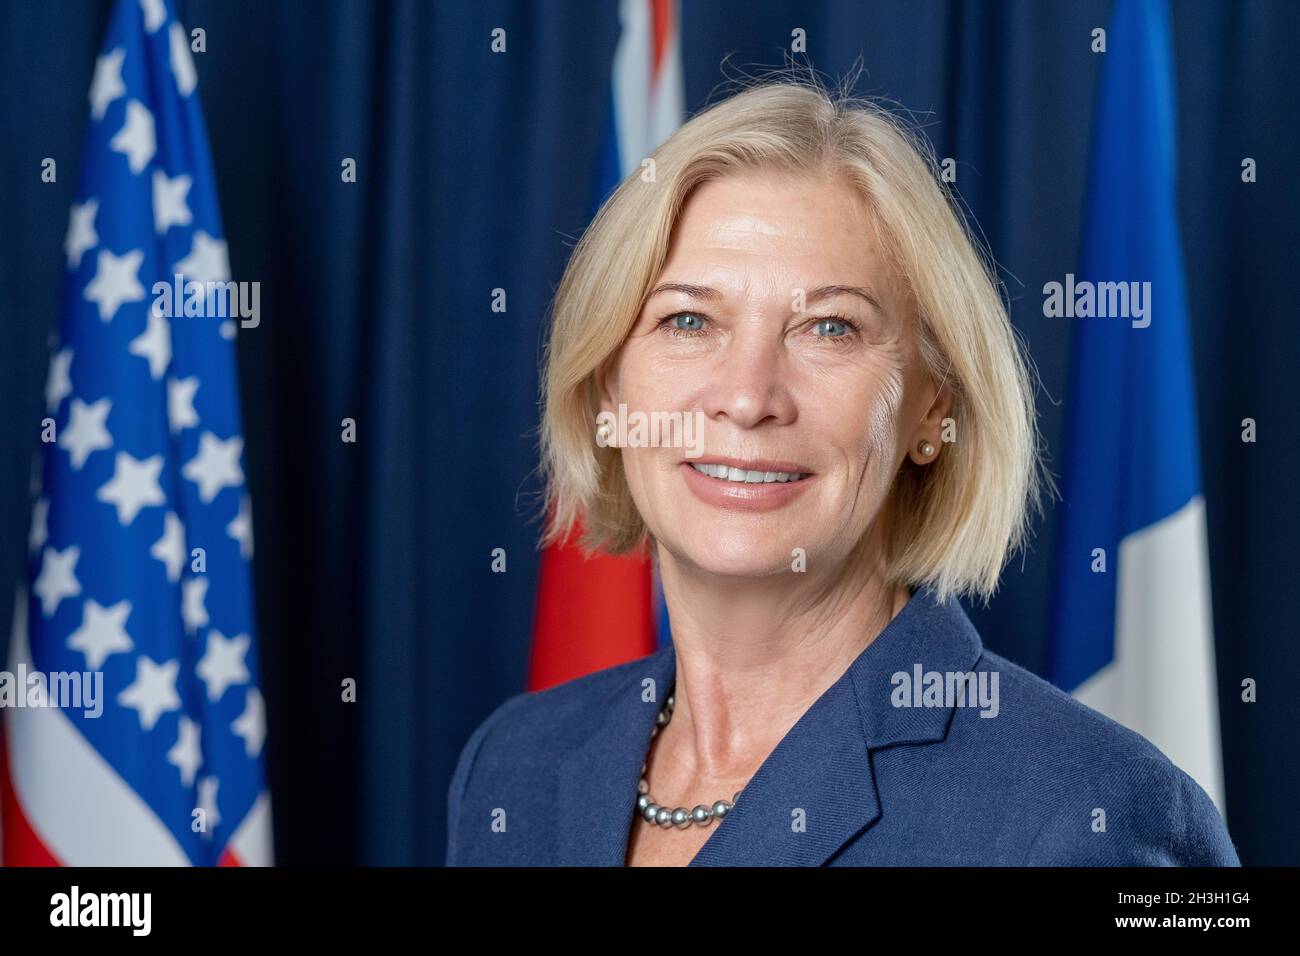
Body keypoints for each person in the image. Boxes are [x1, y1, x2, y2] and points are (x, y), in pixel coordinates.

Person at [445, 78, 1240, 866]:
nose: (748, 397)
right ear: (608, 385)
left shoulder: (1097, 811)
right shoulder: (513, 767)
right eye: (688, 319)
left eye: (830, 327)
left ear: (933, 409)